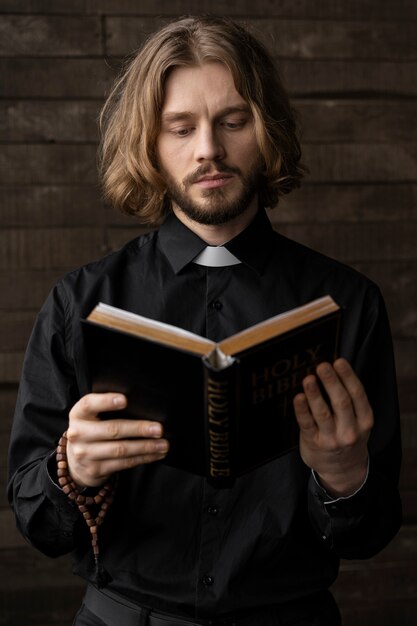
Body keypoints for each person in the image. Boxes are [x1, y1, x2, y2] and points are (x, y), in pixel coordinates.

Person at [8, 16, 402, 626]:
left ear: (265, 130)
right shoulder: (77, 302)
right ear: (151, 144)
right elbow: (35, 521)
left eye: (233, 121)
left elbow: (368, 536)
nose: (208, 149)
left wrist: (347, 475)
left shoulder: (349, 303)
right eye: (180, 127)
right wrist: (73, 471)